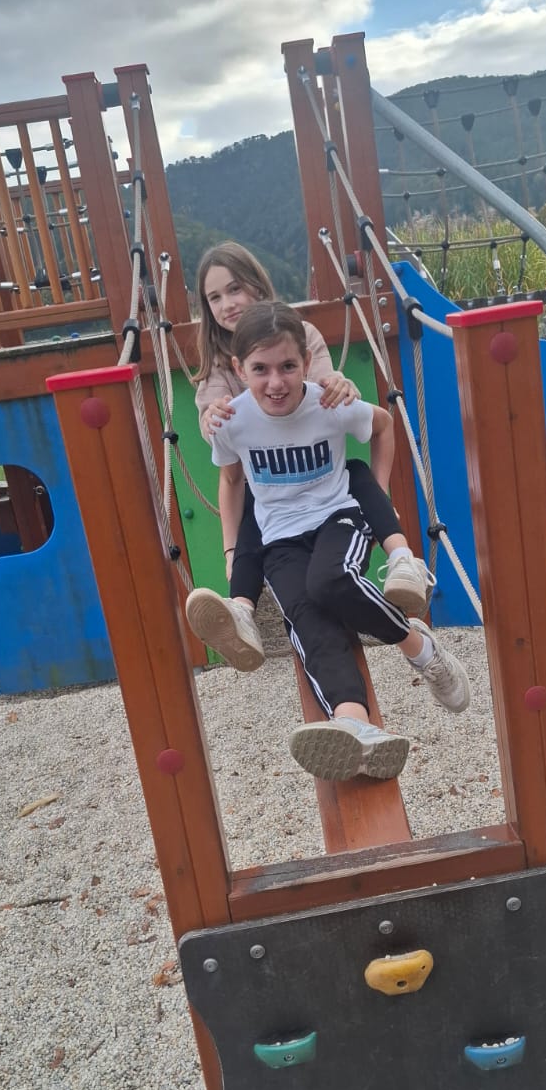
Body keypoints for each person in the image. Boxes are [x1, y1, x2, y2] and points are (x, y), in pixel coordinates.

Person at [205, 299, 470, 782]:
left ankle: (421, 650)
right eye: (260, 369)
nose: (276, 382)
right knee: (308, 620)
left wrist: (380, 496)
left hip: (337, 517)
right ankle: (354, 723)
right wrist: (231, 552)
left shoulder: (328, 403)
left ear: (306, 363)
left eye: (288, 366)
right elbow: (231, 481)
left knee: (330, 581)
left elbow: (383, 428)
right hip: (279, 539)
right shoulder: (232, 420)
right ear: (240, 370)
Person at [185, 242, 430, 670]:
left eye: (235, 289)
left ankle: (402, 557)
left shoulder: (298, 334)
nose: (227, 304)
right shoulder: (220, 365)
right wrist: (210, 417)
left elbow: (320, 390)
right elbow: (214, 417)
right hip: (271, 489)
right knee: (256, 513)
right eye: (215, 297)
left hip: (320, 477)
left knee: (355, 473)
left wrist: (340, 384)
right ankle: (242, 606)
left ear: (257, 286)